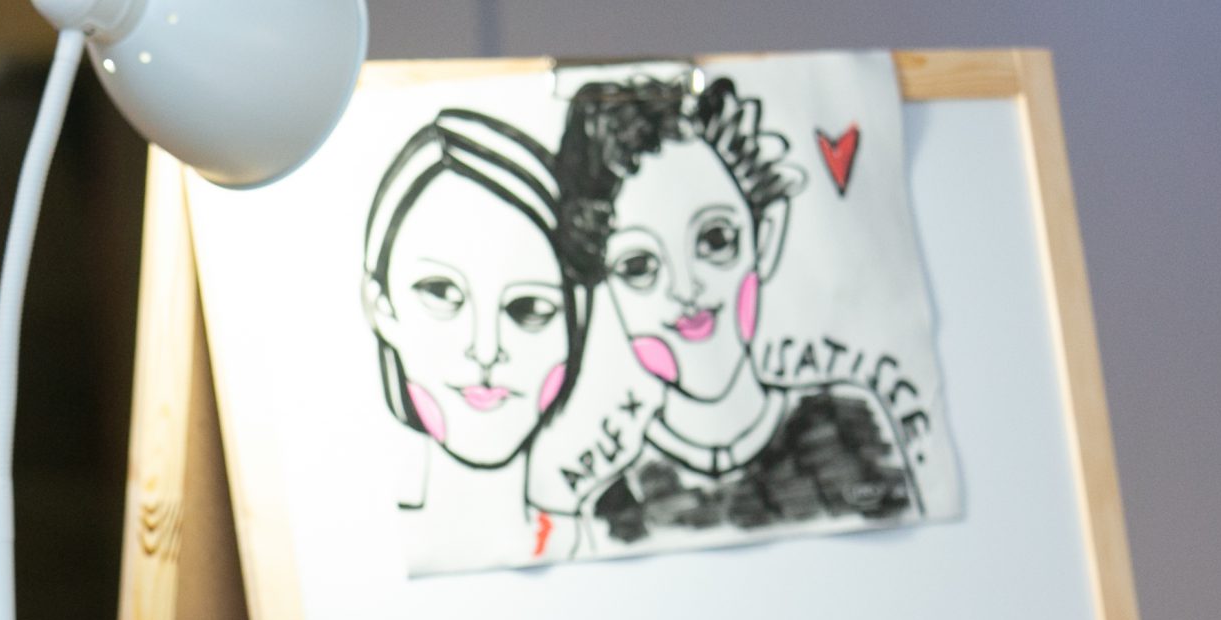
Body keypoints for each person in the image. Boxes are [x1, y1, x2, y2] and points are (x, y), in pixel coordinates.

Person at [555, 76, 919, 549]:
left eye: (716, 240)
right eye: (639, 266)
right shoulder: (619, 509)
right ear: (606, 286)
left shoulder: (850, 428)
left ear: (763, 238)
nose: (686, 290)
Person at [361, 107, 592, 570]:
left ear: (574, 322)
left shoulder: (599, 536)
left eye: (529, 309)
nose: (486, 350)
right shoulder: (354, 558)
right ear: (382, 308)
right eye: (441, 294)